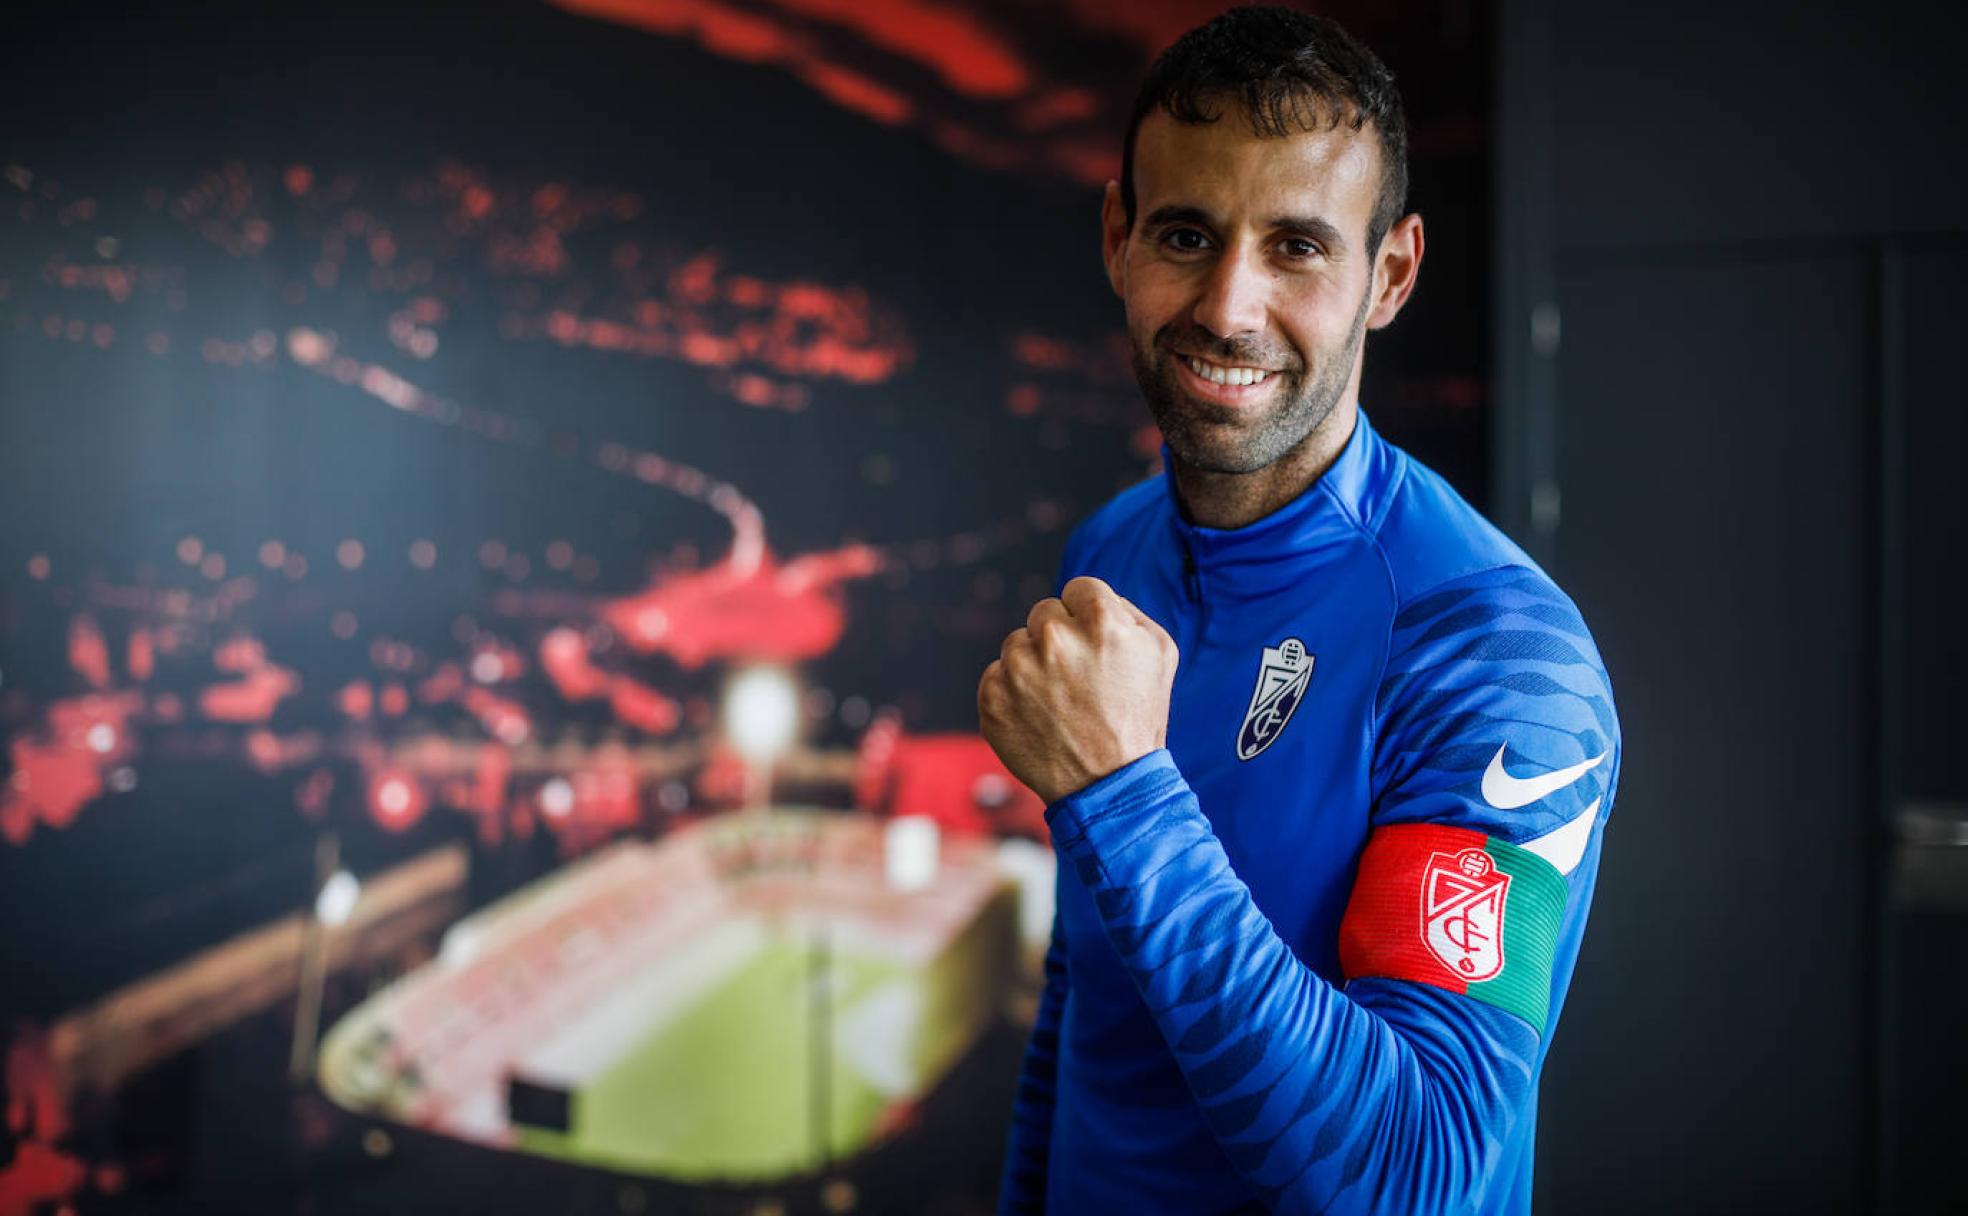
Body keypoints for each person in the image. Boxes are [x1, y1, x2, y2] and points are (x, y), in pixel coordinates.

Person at [977, 8, 1619, 1214]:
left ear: (1391, 274)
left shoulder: (1499, 660)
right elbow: (1088, 999)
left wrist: (1123, 795)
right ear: (1119, 238)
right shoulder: (1110, 552)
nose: (1228, 305)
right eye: (1185, 232)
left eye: (1298, 247)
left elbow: (1414, 1172)